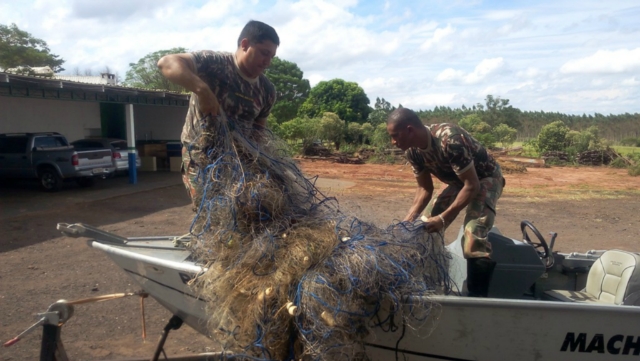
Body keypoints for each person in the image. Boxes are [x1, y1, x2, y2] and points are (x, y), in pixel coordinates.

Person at [157, 20, 279, 210]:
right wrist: (203, 90)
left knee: (248, 212)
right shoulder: (214, 64)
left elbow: (258, 132)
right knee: (211, 210)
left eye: (272, 56)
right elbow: (166, 62)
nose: (268, 62)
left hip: (239, 160)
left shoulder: (267, 90)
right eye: (264, 53)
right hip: (202, 153)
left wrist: (257, 166)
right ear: (245, 45)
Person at [386, 108, 505, 297]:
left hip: (485, 179)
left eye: (395, 136)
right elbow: (424, 189)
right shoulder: (413, 153)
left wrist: (443, 218)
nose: (393, 141)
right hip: (460, 182)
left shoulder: (450, 139)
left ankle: (477, 300)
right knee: (422, 227)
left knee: (473, 234)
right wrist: (407, 222)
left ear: (410, 130)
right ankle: (428, 284)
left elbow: (472, 185)